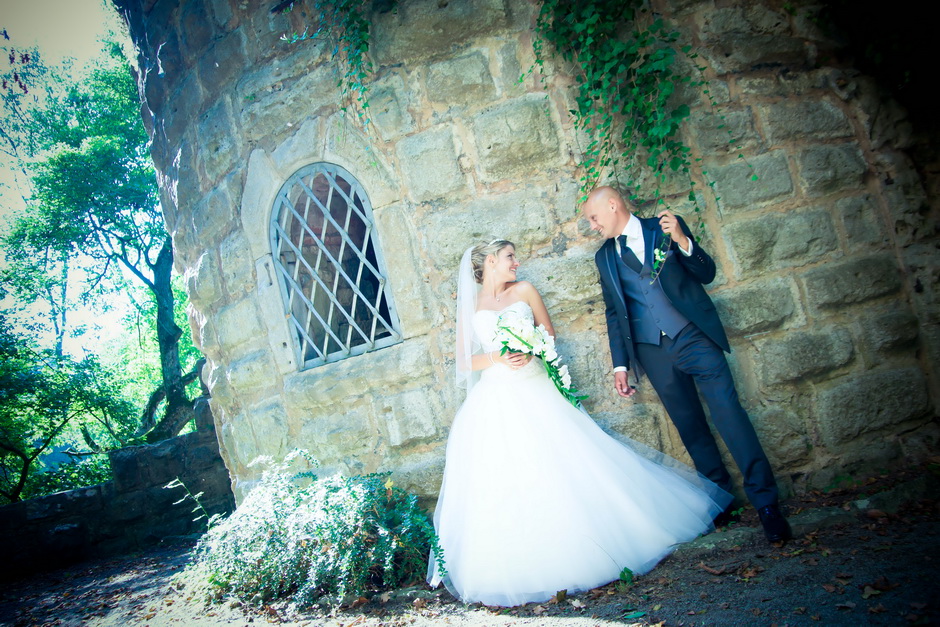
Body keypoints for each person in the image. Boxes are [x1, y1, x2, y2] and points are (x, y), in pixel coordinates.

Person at [427, 239, 732, 607]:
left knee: (566, 464)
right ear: (491, 261)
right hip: (496, 398)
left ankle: (601, 544)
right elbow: (464, 360)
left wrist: (533, 347)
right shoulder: (473, 306)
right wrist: (498, 356)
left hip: (537, 388)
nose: (516, 262)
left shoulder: (524, 290)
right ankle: (532, 562)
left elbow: (548, 334)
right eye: (510, 257)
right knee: (509, 475)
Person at [581, 185, 792, 544]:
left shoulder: (665, 227)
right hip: (652, 352)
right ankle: (721, 501)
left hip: (694, 338)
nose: (593, 226)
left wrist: (681, 240)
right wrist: (620, 365)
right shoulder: (604, 258)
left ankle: (767, 504)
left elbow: (705, 272)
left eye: (594, 218)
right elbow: (615, 314)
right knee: (691, 428)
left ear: (613, 206)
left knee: (730, 416)